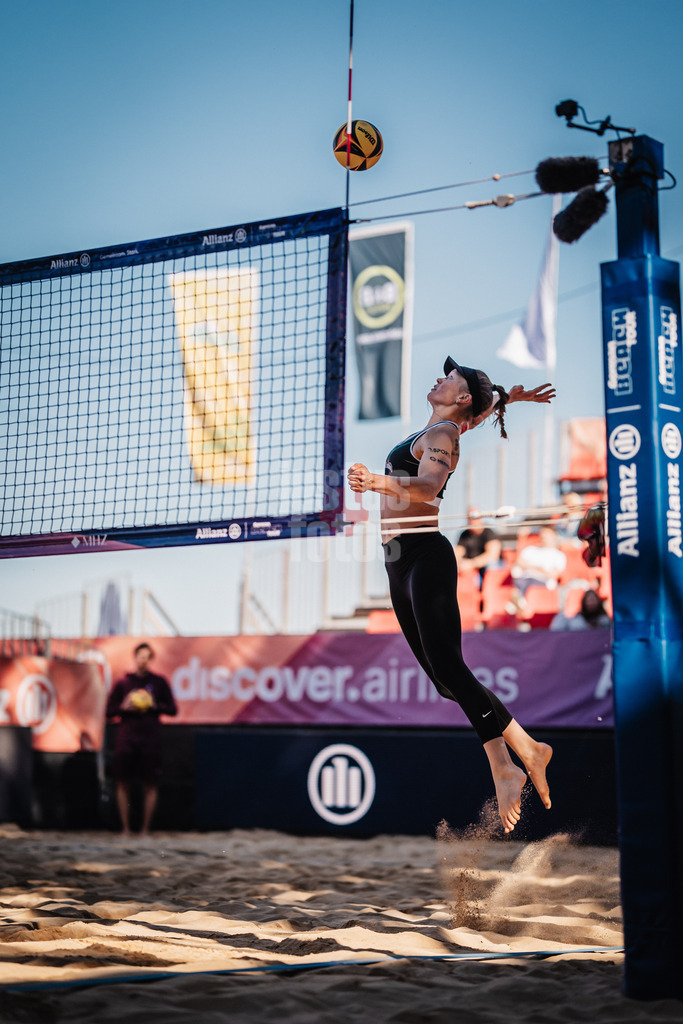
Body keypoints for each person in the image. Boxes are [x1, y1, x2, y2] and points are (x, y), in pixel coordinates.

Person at [348, 357, 554, 834]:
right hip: (397, 562)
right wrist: (508, 397)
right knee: (444, 681)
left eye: (451, 377)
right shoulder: (443, 426)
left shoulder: (444, 435)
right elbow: (477, 411)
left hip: (425, 555)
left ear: (459, 397)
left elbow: (427, 486)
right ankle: (509, 762)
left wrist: (374, 481)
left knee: (449, 668)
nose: (439, 377)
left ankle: (521, 754)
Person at [105, 642, 178, 837]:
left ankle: (145, 830)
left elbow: (172, 710)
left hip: (150, 739)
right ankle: (126, 829)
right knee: (122, 783)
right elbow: (109, 711)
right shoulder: (124, 682)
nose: (142, 660)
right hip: (127, 738)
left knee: (150, 784)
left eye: (146, 657)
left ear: (150, 659)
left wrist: (154, 706)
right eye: (140, 656)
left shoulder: (159, 682)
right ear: (135, 657)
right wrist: (124, 707)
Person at [508, 525, 567, 610]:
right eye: (543, 534)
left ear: (554, 536)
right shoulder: (530, 550)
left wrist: (531, 567)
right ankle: (521, 605)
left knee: (523, 587)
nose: (544, 537)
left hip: (543, 583)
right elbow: (518, 562)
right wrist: (541, 569)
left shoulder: (559, 555)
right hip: (524, 580)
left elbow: (553, 574)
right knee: (517, 583)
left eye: (547, 534)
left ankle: (520, 605)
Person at [455, 508, 502, 587]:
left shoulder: (489, 533)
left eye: (475, 517)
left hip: (487, 568)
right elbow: (457, 554)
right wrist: (460, 564)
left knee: (492, 566)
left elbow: (493, 556)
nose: (473, 520)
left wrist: (471, 564)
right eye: (470, 518)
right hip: (472, 570)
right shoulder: (464, 535)